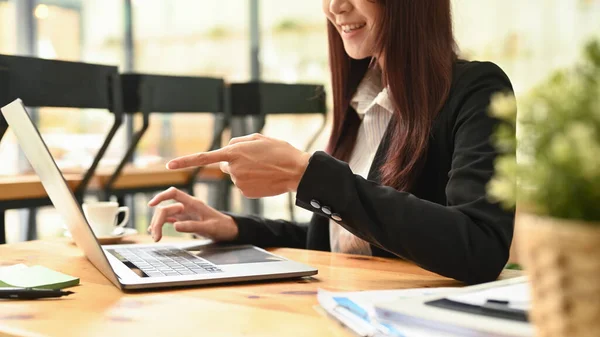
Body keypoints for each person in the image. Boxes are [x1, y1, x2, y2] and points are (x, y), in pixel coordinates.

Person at [147, 0, 516, 285]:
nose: (335, 6)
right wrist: (235, 226)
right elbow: (342, 239)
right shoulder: (363, 102)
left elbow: (480, 246)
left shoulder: (476, 89)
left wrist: (307, 175)